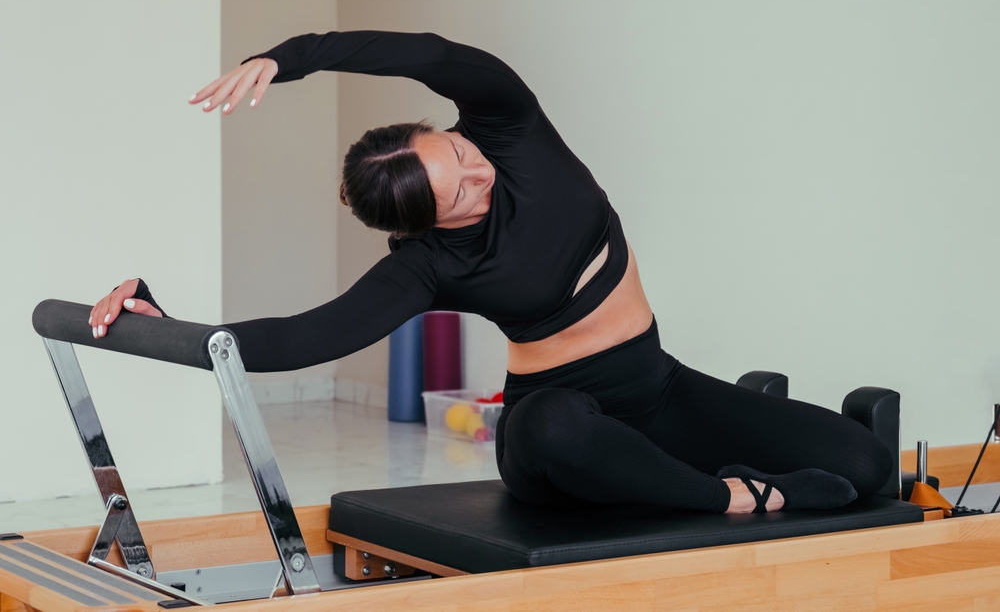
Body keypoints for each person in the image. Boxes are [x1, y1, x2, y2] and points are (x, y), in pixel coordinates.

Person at [88, 31, 891, 514]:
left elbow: (429, 55)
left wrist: (286, 58)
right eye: (460, 193)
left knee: (865, 467)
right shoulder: (427, 267)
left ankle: (702, 463)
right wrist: (166, 326)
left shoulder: (509, 126)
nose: (481, 175)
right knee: (554, 428)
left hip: (660, 390)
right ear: (425, 227)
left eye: (458, 153)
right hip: (556, 426)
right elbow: (301, 339)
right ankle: (737, 496)